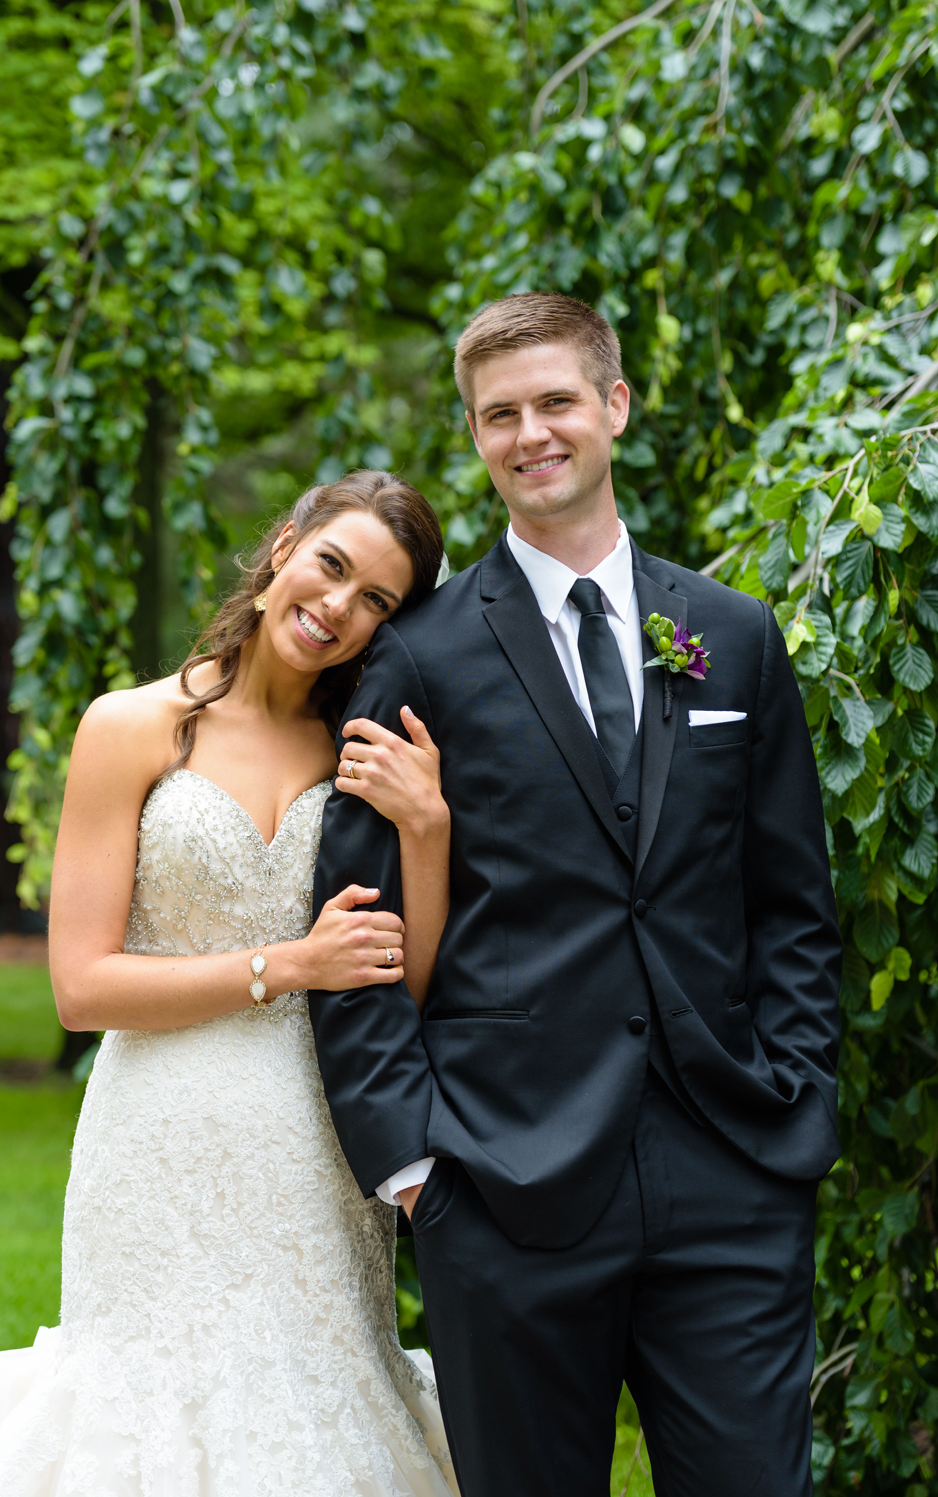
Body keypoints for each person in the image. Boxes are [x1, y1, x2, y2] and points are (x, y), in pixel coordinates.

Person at [310, 293, 842, 1494]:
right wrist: (411, 1169)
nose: (528, 433)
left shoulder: (732, 637)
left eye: (553, 401)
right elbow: (353, 930)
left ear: (611, 406)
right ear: (474, 436)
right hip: (499, 1187)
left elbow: (791, 906)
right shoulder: (417, 655)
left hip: (731, 1175)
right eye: (498, 414)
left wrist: (794, 1103)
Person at [0, 471, 459, 1496]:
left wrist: (427, 829)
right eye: (331, 566)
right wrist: (286, 967)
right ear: (281, 548)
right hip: (158, 1136)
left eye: (377, 602)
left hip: (321, 1138)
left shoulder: (360, 752)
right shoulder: (129, 727)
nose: (337, 608)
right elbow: (79, 989)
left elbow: (404, 985)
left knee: (313, 1408)